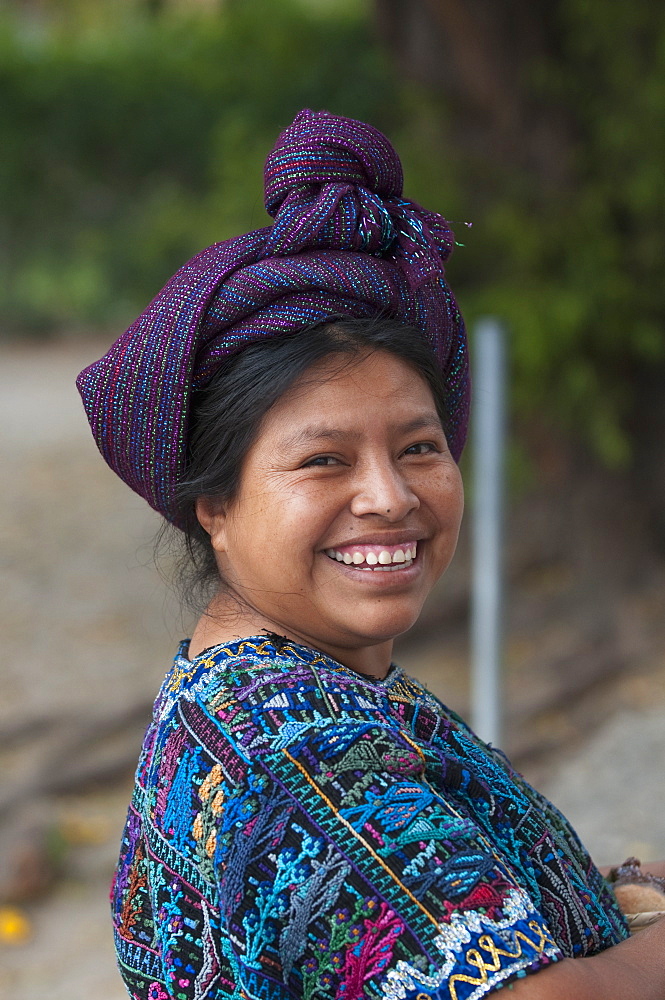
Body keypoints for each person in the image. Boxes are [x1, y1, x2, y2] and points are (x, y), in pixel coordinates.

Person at [77, 110, 664, 1000]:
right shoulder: (298, 753)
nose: (391, 497)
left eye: (419, 448)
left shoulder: (265, 689)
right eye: (323, 460)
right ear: (215, 507)